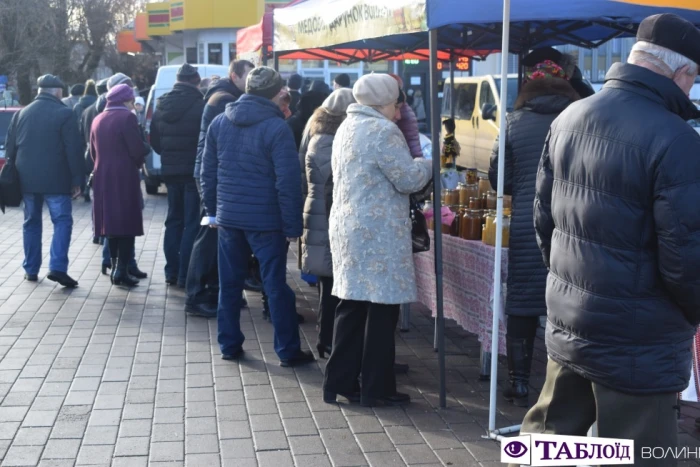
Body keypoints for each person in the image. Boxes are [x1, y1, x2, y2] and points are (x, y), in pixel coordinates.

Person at [521, 13, 700, 462]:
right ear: (681, 73)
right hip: (638, 342)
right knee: (643, 454)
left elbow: (544, 222)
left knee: (547, 448)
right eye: (693, 79)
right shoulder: (677, 139)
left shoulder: (570, 116)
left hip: (572, 320)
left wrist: (570, 287)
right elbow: (687, 258)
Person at [323, 74, 432, 406]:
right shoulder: (383, 131)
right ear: (384, 102)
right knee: (383, 310)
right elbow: (408, 179)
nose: (399, 112)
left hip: (347, 226)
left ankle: (337, 382)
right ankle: (376, 387)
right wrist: (426, 164)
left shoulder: (347, 126)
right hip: (377, 231)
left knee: (351, 306)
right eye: (397, 104)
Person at [200, 66, 314, 367]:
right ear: (277, 92)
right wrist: (292, 225)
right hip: (266, 221)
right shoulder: (277, 128)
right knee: (275, 285)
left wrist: (213, 211)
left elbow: (207, 172)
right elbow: (287, 181)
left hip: (229, 218)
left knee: (230, 284)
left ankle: (229, 344)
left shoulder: (220, 122)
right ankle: (287, 350)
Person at [487, 56, 580, 408]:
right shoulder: (580, 119)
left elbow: (501, 180)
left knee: (523, 303)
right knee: (572, 300)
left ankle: (519, 383)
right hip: (573, 220)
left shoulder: (512, 122)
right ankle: (565, 384)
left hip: (528, 221)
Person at [186, 59, 254, 317]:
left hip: (211, 174)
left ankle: (214, 291)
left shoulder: (223, 95)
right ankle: (197, 295)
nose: (250, 81)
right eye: (248, 76)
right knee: (208, 237)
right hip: (211, 177)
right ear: (235, 75)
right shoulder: (224, 100)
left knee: (215, 237)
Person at [4, 75, 83, 287]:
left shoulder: (21, 113)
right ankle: (57, 267)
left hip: (27, 181)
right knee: (62, 221)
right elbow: (73, 149)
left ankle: (30, 269)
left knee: (31, 223)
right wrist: (78, 180)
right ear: (57, 92)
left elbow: (10, 148)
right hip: (57, 181)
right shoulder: (65, 113)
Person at [299, 88, 355, 359]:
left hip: (314, 211)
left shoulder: (313, 133)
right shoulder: (341, 140)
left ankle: (324, 339)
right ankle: (330, 341)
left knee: (325, 283)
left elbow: (301, 171)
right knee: (337, 286)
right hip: (332, 214)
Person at [150, 64, 207, 288]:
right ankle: (185, 273)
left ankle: (171, 272)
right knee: (191, 222)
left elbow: (154, 140)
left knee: (174, 221)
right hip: (192, 172)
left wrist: (168, 156)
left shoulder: (161, 105)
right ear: (196, 80)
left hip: (170, 171)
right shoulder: (200, 106)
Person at [90, 84, 151, 287]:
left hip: (102, 176)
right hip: (123, 176)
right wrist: (146, 147)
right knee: (126, 224)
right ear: (126, 100)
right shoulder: (127, 118)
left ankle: (115, 268)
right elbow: (136, 149)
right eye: (131, 100)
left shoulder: (97, 118)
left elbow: (92, 152)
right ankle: (121, 271)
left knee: (111, 225)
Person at [73, 80, 98, 202]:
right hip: (96, 139)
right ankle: (92, 187)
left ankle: (85, 189)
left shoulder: (78, 106)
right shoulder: (98, 105)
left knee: (84, 166)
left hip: (82, 139)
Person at [389, 74, 422, 159]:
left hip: (403, 159)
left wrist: (417, 160)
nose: (398, 116)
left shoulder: (402, 110)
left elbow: (412, 141)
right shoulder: (402, 106)